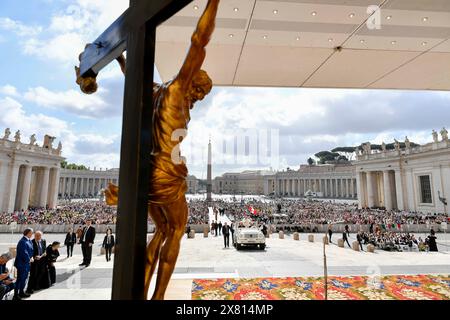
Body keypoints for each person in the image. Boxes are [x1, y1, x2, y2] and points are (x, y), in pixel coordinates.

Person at [14, 228, 34, 300]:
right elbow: (24, 253)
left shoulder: (28, 240)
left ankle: (21, 292)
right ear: (28, 233)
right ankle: (16, 295)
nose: (32, 234)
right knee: (20, 279)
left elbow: (31, 251)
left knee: (24, 279)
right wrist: (29, 259)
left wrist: (31, 257)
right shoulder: (22, 241)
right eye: (31, 233)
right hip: (22, 264)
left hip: (26, 263)